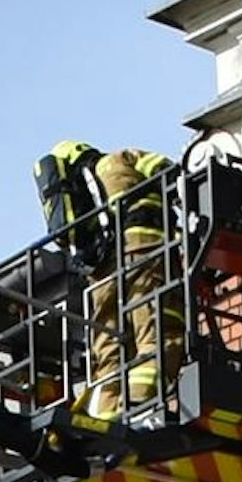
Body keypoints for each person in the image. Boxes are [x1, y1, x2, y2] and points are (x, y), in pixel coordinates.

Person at [33, 140, 184, 423]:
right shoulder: (118, 159)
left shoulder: (78, 194)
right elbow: (170, 172)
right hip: (143, 250)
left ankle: (106, 417)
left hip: (100, 274)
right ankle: (141, 406)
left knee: (109, 355)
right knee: (157, 334)